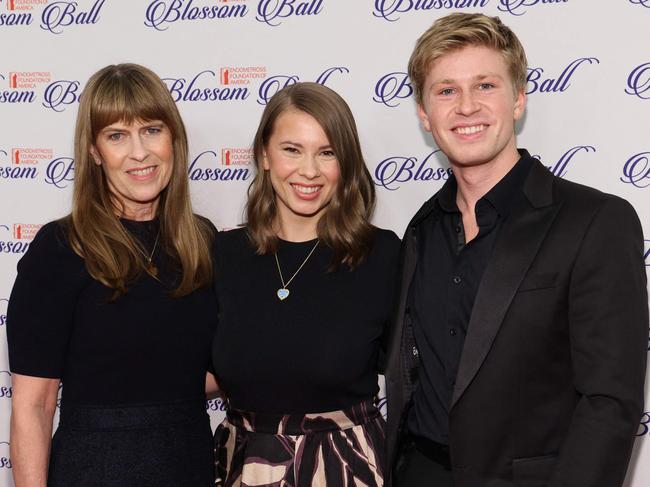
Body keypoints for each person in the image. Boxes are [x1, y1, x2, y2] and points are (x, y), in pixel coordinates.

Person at [384, 13, 648, 487]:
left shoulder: (594, 221)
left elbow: (610, 402)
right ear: (424, 114)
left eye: (485, 85)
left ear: (519, 99)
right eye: (445, 91)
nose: (466, 106)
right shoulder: (421, 230)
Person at [7, 63, 218, 487]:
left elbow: (206, 372)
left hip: (189, 463)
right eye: (117, 135)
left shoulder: (203, 240)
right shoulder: (60, 248)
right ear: (94, 151)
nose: (139, 152)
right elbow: (34, 405)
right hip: (94, 469)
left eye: (152, 130)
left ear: (174, 137)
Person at [211, 82, 400, 486]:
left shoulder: (382, 256)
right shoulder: (223, 254)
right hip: (242, 466)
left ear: (345, 163)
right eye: (291, 149)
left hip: (347, 468)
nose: (309, 171)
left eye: (327, 152)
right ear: (264, 154)